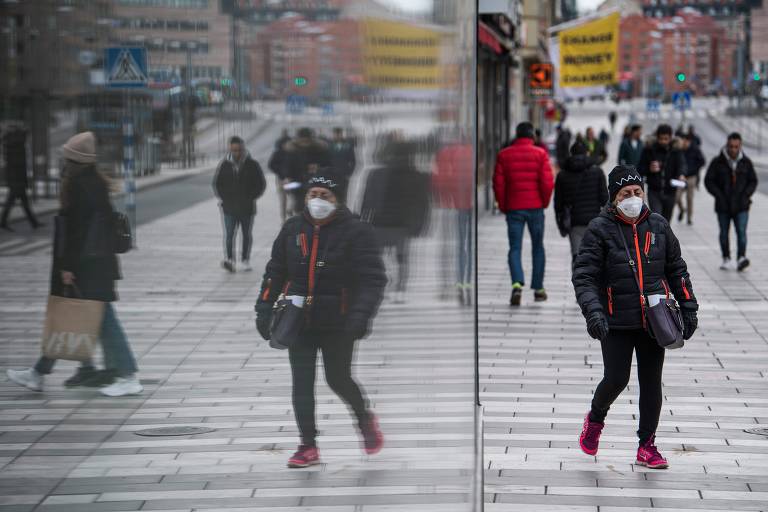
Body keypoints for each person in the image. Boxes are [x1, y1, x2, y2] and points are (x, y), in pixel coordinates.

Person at [254, 172, 387, 468]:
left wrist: (360, 316)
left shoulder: (356, 232)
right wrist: (263, 308)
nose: (318, 201)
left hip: (339, 322)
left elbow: (373, 279)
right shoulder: (292, 229)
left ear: (337, 200)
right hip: (298, 321)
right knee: (301, 383)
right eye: (313, 195)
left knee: (337, 378)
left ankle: (364, 419)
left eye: (325, 196)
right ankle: (307, 445)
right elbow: (275, 271)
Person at [573, 164, 698, 470]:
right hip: (615, 320)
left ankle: (647, 445)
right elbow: (585, 276)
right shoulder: (599, 229)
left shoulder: (658, 226)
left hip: (654, 319)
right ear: (614, 197)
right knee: (617, 379)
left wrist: (688, 306)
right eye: (626, 193)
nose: (633, 198)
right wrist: (594, 313)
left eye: (637, 192)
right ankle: (595, 418)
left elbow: (677, 269)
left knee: (651, 382)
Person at [6, 132, 143, 397]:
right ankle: (41, 373)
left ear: (74, 161)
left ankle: (127, 375)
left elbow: (78, 233)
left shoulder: (81, 187)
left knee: (96, 321)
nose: (63, 163)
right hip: (95, 266)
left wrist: (68, 267)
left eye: (66, 158)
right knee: (69, 319)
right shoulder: (91, 184)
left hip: (88, 268)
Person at [360, 138, 430, 303]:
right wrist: (420, 226)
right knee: (402, 257)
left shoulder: (376, 174)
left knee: (379, 257)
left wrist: (362, 219)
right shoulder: (418, 175)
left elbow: (366, 199)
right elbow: (423, 203)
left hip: (379, 222)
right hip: (402, 225)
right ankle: (400, 289)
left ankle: (385, 285)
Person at [493, 122, 554, 306]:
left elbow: (498, 184)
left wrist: (504, 206)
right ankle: (538, 289)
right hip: (535, 208)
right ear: (532, 136)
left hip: (514, 208)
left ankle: (517, 283)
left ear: (517, 135)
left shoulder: (504, 155)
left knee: (515, 247)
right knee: (538, 247)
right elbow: (547, 183)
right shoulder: (540, 154)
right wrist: (543, 203)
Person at [704, 132, 758, 271]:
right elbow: (708, 180)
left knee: (741, 232)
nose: (733, 149)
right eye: (731, 146)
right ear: (727, 145)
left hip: (741, 205)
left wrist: (746, 195)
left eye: (736, 147)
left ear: (740, 146)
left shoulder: (746, 162)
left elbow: (753, 181)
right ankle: (726, 258)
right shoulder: (718, 162)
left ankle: (741, 257)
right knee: (724, 232)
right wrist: (718, 195)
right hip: (723, 205)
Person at [213, 136, 267, 273]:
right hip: (229, 207)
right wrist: (224, 198)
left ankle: (245, 259)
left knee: (246, 234)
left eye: (238, 150)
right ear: (230, 149)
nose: (236, 153)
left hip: (246, 207)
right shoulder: (225, 164)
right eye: (233, 150)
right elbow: (217, 184)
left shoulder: (252, 164)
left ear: (243, 149)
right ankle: (230, 259)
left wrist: (251, 197)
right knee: (229, 234)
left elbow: (261, 184)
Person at [554, 140, 608, 265]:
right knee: (594, 256)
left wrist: (560, 223)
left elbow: (558, 203)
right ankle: (592, 282)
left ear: (571, 153)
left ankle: (579, 282)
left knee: (577, 257)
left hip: (574, 222)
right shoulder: (597, 172)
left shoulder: (562, 175)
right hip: (594, 221)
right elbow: (605, 199)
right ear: (587, 153)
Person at [637, 124, 685, 221]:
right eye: (661, 139)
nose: (663, 141)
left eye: (666, 139)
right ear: (657, 137)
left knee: (666, 222)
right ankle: (657, 236)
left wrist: (681, 175)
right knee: (657, 220)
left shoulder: (676, 151)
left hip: (670, 191)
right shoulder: (649, 150)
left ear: (671, 138)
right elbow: (640, 169)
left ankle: (663, 237)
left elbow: (682, 165)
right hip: (654, 191)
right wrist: (649, 169)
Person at [1, 125, 42, 230]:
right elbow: (19, 166)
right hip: (17, 180)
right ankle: (3, 222)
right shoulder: (17, 148)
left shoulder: (12, 146)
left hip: (16, 179)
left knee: (22, 202)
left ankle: (33, 223)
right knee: (13, 202)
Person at [282, 127, 331, 215]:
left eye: (306, 140)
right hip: (297, 181)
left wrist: (318, 167)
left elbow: (327, 164)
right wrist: (287, 177)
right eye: (302, 140)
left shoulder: (319, 150)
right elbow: (287, 166)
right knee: (299, 203)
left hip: (315, 182)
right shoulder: (293, 150)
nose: (304, 143)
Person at [676, 133, 706, 225]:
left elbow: (702, 161)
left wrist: (694, 169)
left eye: (685, 141)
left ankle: (689, 218)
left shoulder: (695, 149)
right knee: (677, 197)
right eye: (682, 141)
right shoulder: (679, 150)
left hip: (691, 177)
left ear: (688, 141)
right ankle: (682, 210)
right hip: (680, 177)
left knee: (689, 198)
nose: (683, 143)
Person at [267, 129, 292, 223]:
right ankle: (283, 219)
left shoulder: (293, 153)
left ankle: (290, 212)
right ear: (283, 144)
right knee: (283, 200)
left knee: (293, 198)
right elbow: (271, 165)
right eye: (287, 144)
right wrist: (280, 174)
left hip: (292, 180)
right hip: (281, 180)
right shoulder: (277, 153)